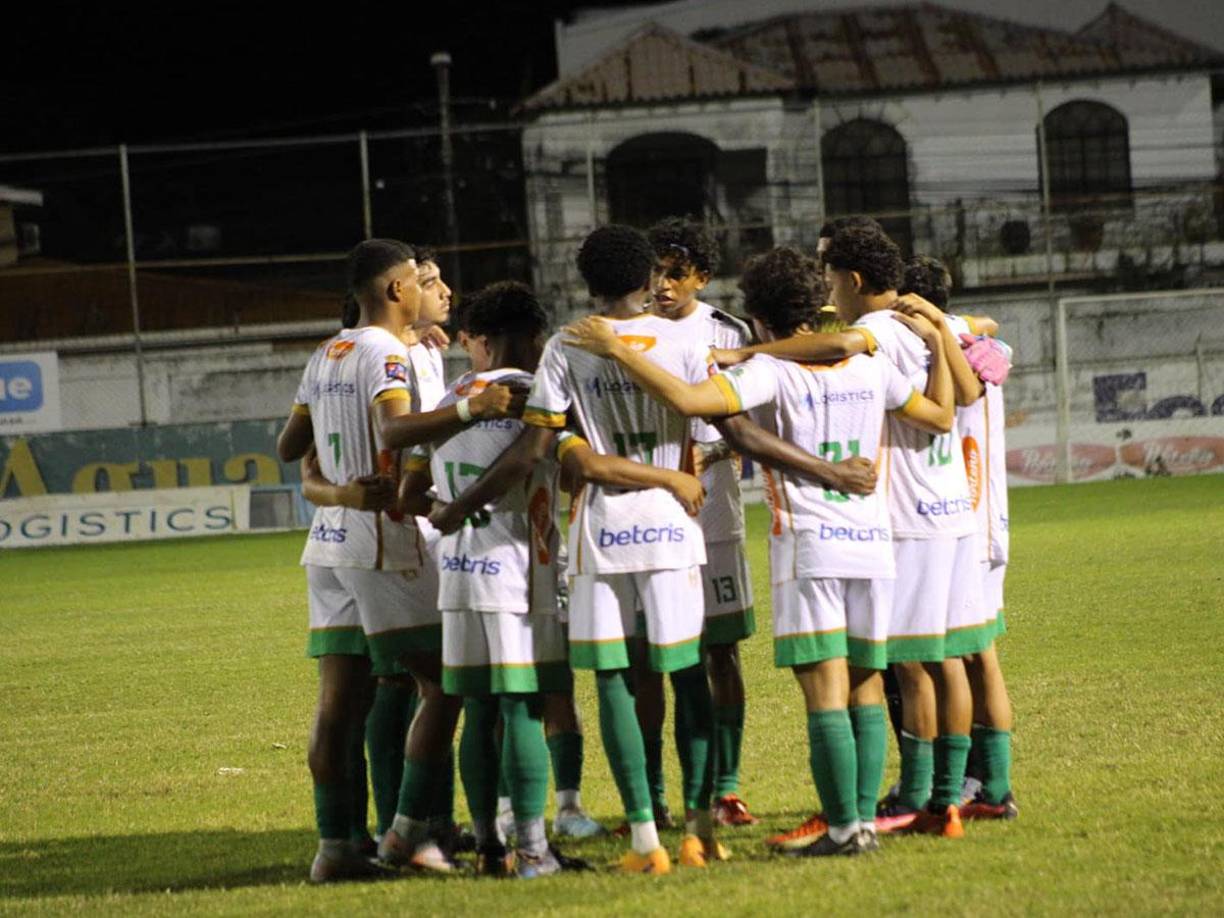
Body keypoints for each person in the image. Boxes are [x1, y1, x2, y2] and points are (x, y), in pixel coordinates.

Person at [430, 225, 874, 873]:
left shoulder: (567, 345)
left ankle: (645, 837)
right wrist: (829, 472)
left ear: (587, 283)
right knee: (689, 671)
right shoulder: (686, 343)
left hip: (601, 534)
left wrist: (458, 507)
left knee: (615, 678)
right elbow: (739, 434)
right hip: (673, 526)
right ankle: (700, 829)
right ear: (647, 278)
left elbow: (537, 448)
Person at [563, 245, 955, 855]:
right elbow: (940, 415)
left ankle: (843, 828)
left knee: (825, 691)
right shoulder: (870, 365)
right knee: (866, 686)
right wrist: (943, 341)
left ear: (760, 318)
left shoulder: (768, 372)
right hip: (872, 542)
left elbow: (690, 403)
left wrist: (618, 350)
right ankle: (862, 826)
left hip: (811, 545)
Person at [405, 279, 709, 876]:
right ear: (534, 336)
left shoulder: (452, 397)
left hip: (458, 571)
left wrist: (449, 511)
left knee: (479, 709)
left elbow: (410, 493)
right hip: (518, 571)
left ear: (482, 340)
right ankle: (533, 849)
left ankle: (489, 846)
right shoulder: (535, 392)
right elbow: (556, 460)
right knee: (525, 704)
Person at [275, 239, 524, 880]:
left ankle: (335, 848)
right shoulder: (387, 352)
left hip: (329, 542)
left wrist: (338, 471)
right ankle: (410, 832)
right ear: (395, 290)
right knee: (445, 683)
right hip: (382, 540)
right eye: (418, 280)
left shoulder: (327, 351)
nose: (427, 289)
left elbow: (289, 445)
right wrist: (471, 408)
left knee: (340, 704)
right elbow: (392, 429)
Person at [728, 222, 985, 837]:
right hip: (929, 518)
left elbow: (837, 347)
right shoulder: (907, 334)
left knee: (891, 672)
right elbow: (960, 399)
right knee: (928, 664)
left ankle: (900, 804)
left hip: (880, 520)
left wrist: (748, 353)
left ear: (853, 278)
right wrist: (944, 332)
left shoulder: (866, 336)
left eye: (832, 274)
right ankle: (935, 798)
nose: (829, 288)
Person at [646, 217, 758, 827]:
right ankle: (657, 796)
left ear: (703, 278)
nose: (662, 285)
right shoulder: (630, 330)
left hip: (713, 511)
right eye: (655, 272)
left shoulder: (728, 332)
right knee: (656, 658)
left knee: (720, 650)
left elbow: (748, 423)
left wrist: (708, 455)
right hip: (649, 516)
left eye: (676, 273)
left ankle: (727, 787)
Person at [900, 256, 1017, 820]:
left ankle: (954, 787)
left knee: (953, 658)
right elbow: (986, 323)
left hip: (957, 523)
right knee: (979, 656)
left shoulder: (933, 349)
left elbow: (959, 398)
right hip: (989, 518)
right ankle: (992, 787)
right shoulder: (978, 342)